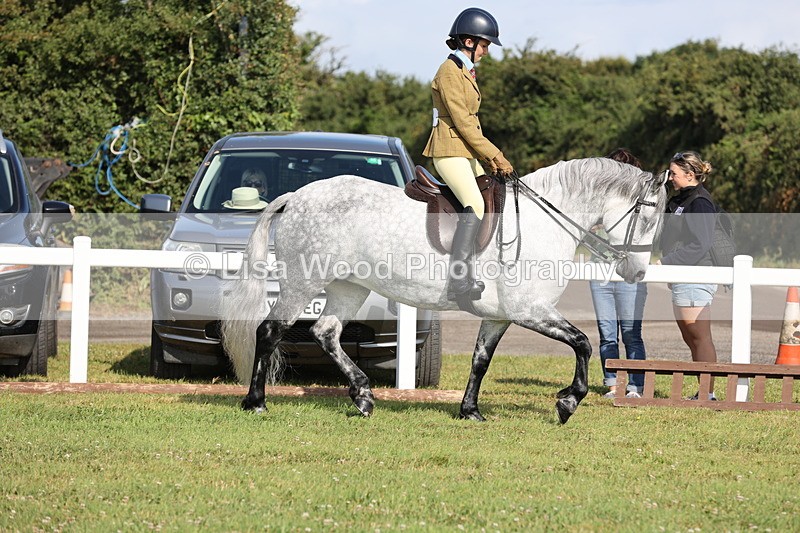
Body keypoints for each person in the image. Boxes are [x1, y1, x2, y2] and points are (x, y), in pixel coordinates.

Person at [422, 7, 514, 302]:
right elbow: (463, 122)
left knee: (492, 192)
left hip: (465, 151)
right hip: (449, 150)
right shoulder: (449, 72)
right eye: (485, 45)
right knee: (474, 202)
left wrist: (489, 161)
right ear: (469, 42)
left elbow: (472, 123)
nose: (486, 51)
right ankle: (457, 280)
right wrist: (495, 154)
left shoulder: (464, 71)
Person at [657, 151, 719, 400]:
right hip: (683, 276)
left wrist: (666, 263)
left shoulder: (699, 202)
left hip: (696, 275)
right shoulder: (681, 199)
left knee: (699, 337)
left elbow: (700, 244)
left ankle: (708, 393)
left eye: (673, 173)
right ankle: (703, 392)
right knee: (691, 338)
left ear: (689, 174)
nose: (670, 178)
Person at [590, 148, 648, 399]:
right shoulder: (595, 201)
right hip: (600, 272)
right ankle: (613, 384)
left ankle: (636, 386)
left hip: (628, 274)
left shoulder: (640, 203)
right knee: (607, 333)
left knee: (631, 333)